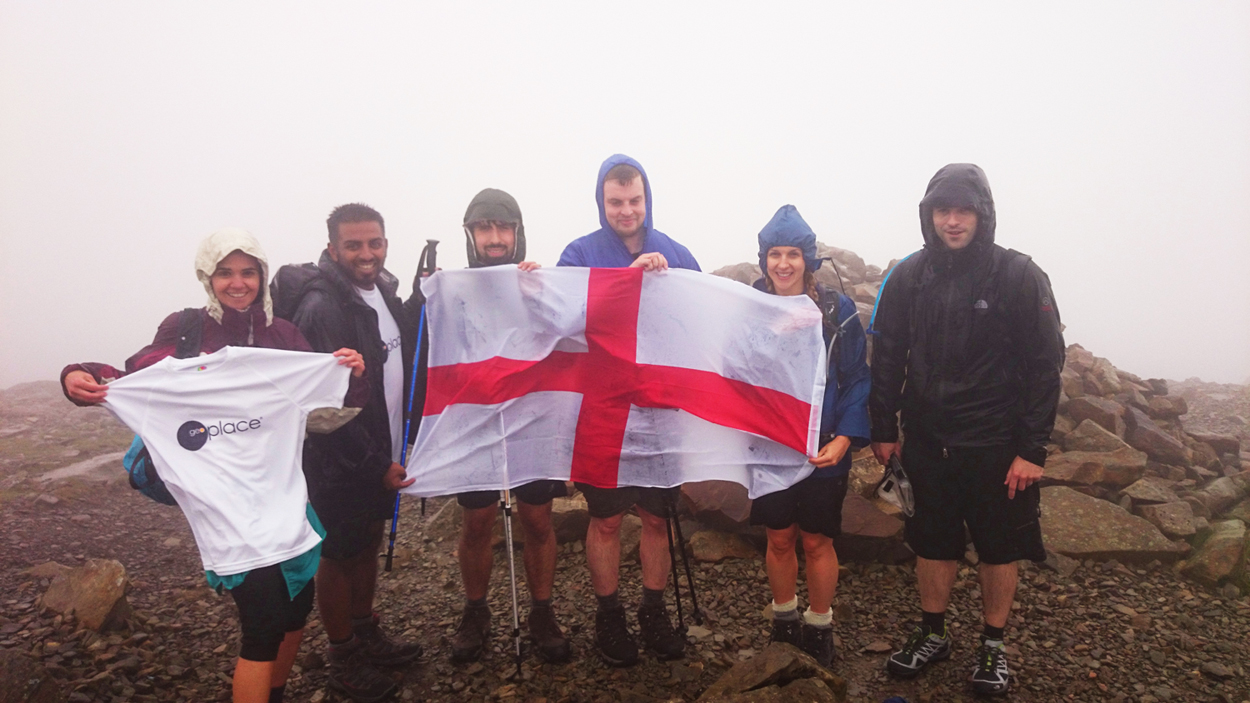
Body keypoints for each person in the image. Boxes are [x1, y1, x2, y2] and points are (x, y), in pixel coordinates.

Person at [61, 228, 366, 703]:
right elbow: (130, 380)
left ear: (262, 277)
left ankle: (276, 693)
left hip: (283, 496)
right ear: (208, 276)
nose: (238, 283)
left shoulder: (282, 336)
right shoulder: (186, 329)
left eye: (248, 272)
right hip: (223, 507)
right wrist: (76, 374)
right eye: (225, 273)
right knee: (263, 622)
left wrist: (348, 372)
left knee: (297, 607)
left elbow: (331, 404)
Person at [869, 164, 1065, 696]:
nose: (952, 222)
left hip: (997, 445)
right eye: (942, 211)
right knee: (933, 541)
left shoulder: (1019, 275)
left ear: (983, 215)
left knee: (999, 548)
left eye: (963, 211)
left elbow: (1046, 364)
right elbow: (886, 354)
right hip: (928, 440)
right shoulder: (909, 275)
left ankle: (993, 645)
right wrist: (882, 426)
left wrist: (1032, 449)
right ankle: (934, 633)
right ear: (928, 215)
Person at [270, 204, 422, 703]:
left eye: (374, 243)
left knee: (365, 542)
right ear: (333, 248)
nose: (367, 253)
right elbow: (324, 409)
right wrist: (374, 465)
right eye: (353, 245)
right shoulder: (322, 307)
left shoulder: (382, 291)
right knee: (337, 554)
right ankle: (343, 657)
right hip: (340, 460)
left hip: (380, 447)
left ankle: (364, 631)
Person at [556, 154, 699, 667]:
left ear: (647, 198)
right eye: (615, 202)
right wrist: (626, 280)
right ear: (602, 202)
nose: (626, 210)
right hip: (603, 408)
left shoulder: (677, 253)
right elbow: (564, 319)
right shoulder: (578, 254)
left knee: (658, 518)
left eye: (634, 200)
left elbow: (700, 319)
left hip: (660, 409)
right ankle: (609, 615)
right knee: (608, 519)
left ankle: (654, 610)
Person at [422, 188, 573, 664]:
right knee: (476, 521)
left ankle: (543, 611)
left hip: (531, 417)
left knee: (537, 518)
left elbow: (568, 330)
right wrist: (427, 291)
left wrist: (540, 291)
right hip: (477, 418)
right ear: (469, 234)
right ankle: (476, 610)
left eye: (502, 227)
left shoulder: (537, 280)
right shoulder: (455, 287)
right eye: (483, 228)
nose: (494, 237)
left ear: (517, 232)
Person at [748, 205, 870, 669]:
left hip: (824, 447)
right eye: (774, 254)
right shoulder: (750, 308)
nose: (783, 264)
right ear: (764, 260)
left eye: (793, 254)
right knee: (779, 538)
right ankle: (784, 620)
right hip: (770, 447)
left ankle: (819, 625)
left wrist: (846, 438)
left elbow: (858, 377)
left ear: (809, 260)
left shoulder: (837, 312)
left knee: (817, 540)